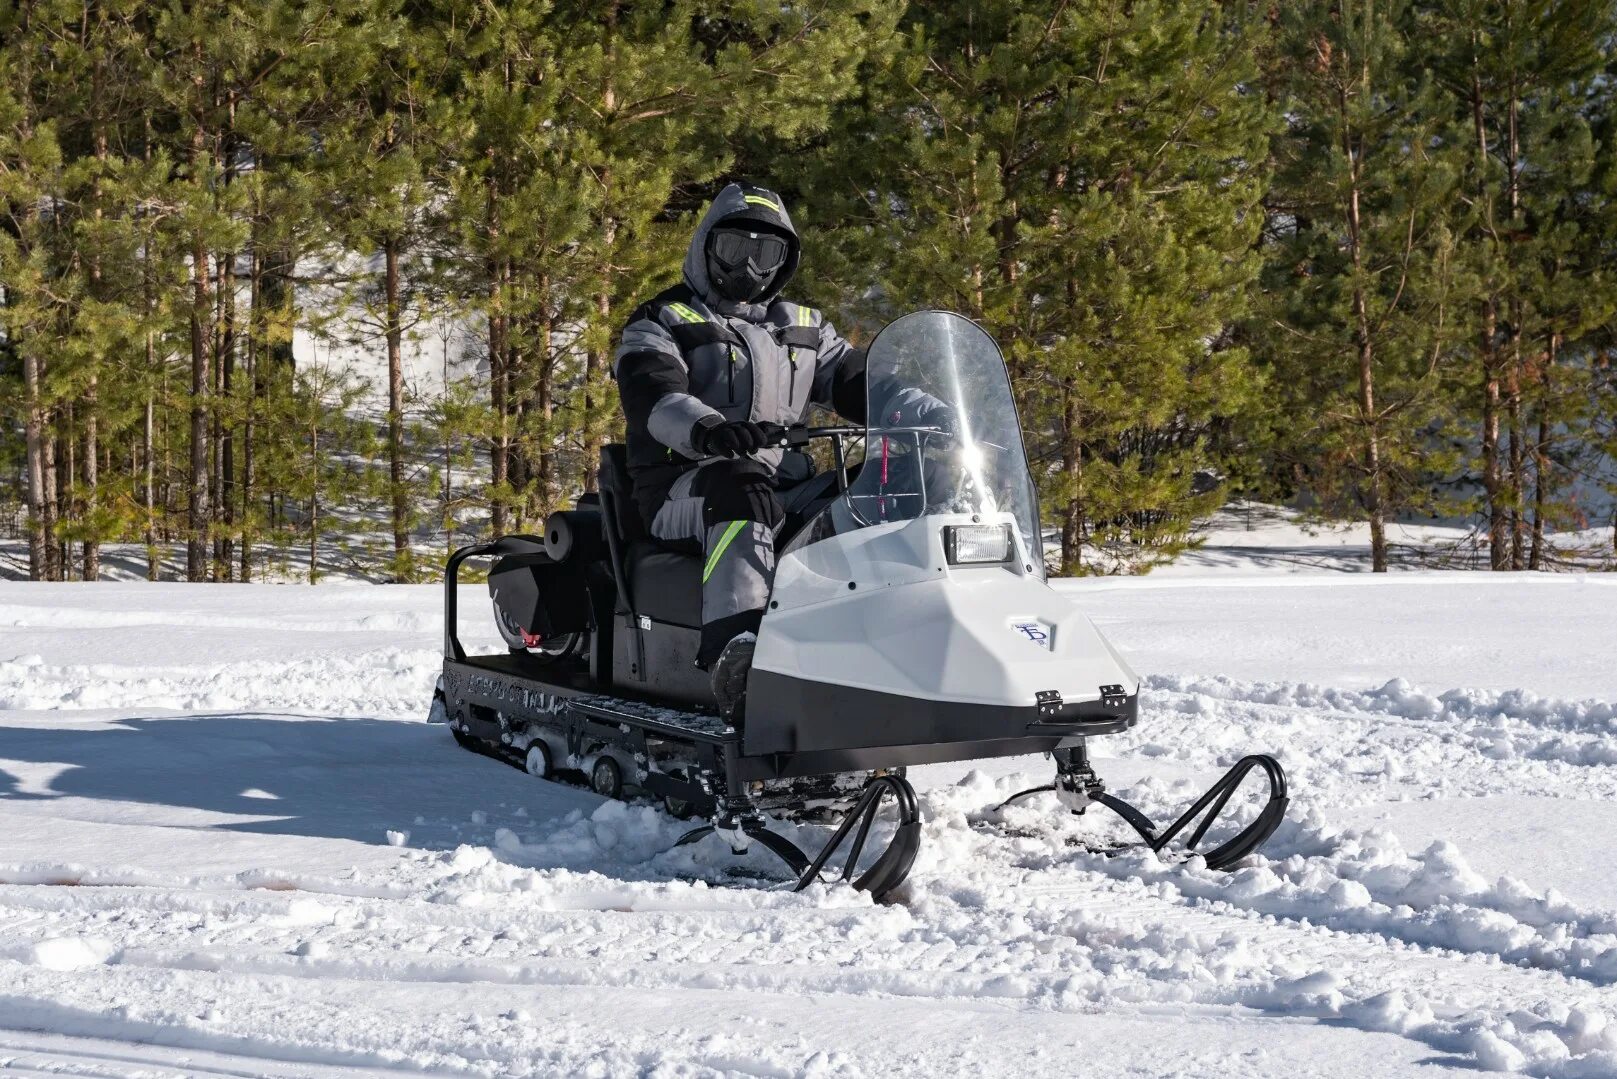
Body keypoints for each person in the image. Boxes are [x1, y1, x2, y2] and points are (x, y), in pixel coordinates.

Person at [613, 182, 950, 718]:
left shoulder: (802, 326)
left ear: (785, 259)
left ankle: (919, 636)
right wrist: (710, 430)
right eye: (734, 248)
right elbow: (654, 396)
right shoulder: (662, 321)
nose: (749, 265)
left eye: (765, 251)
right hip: (683, 487)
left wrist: (931, 410)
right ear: (705, 247)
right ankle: (738, 657)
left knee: (905, 483)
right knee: (739, 487)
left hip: (780, 484)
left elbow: (861, 381)